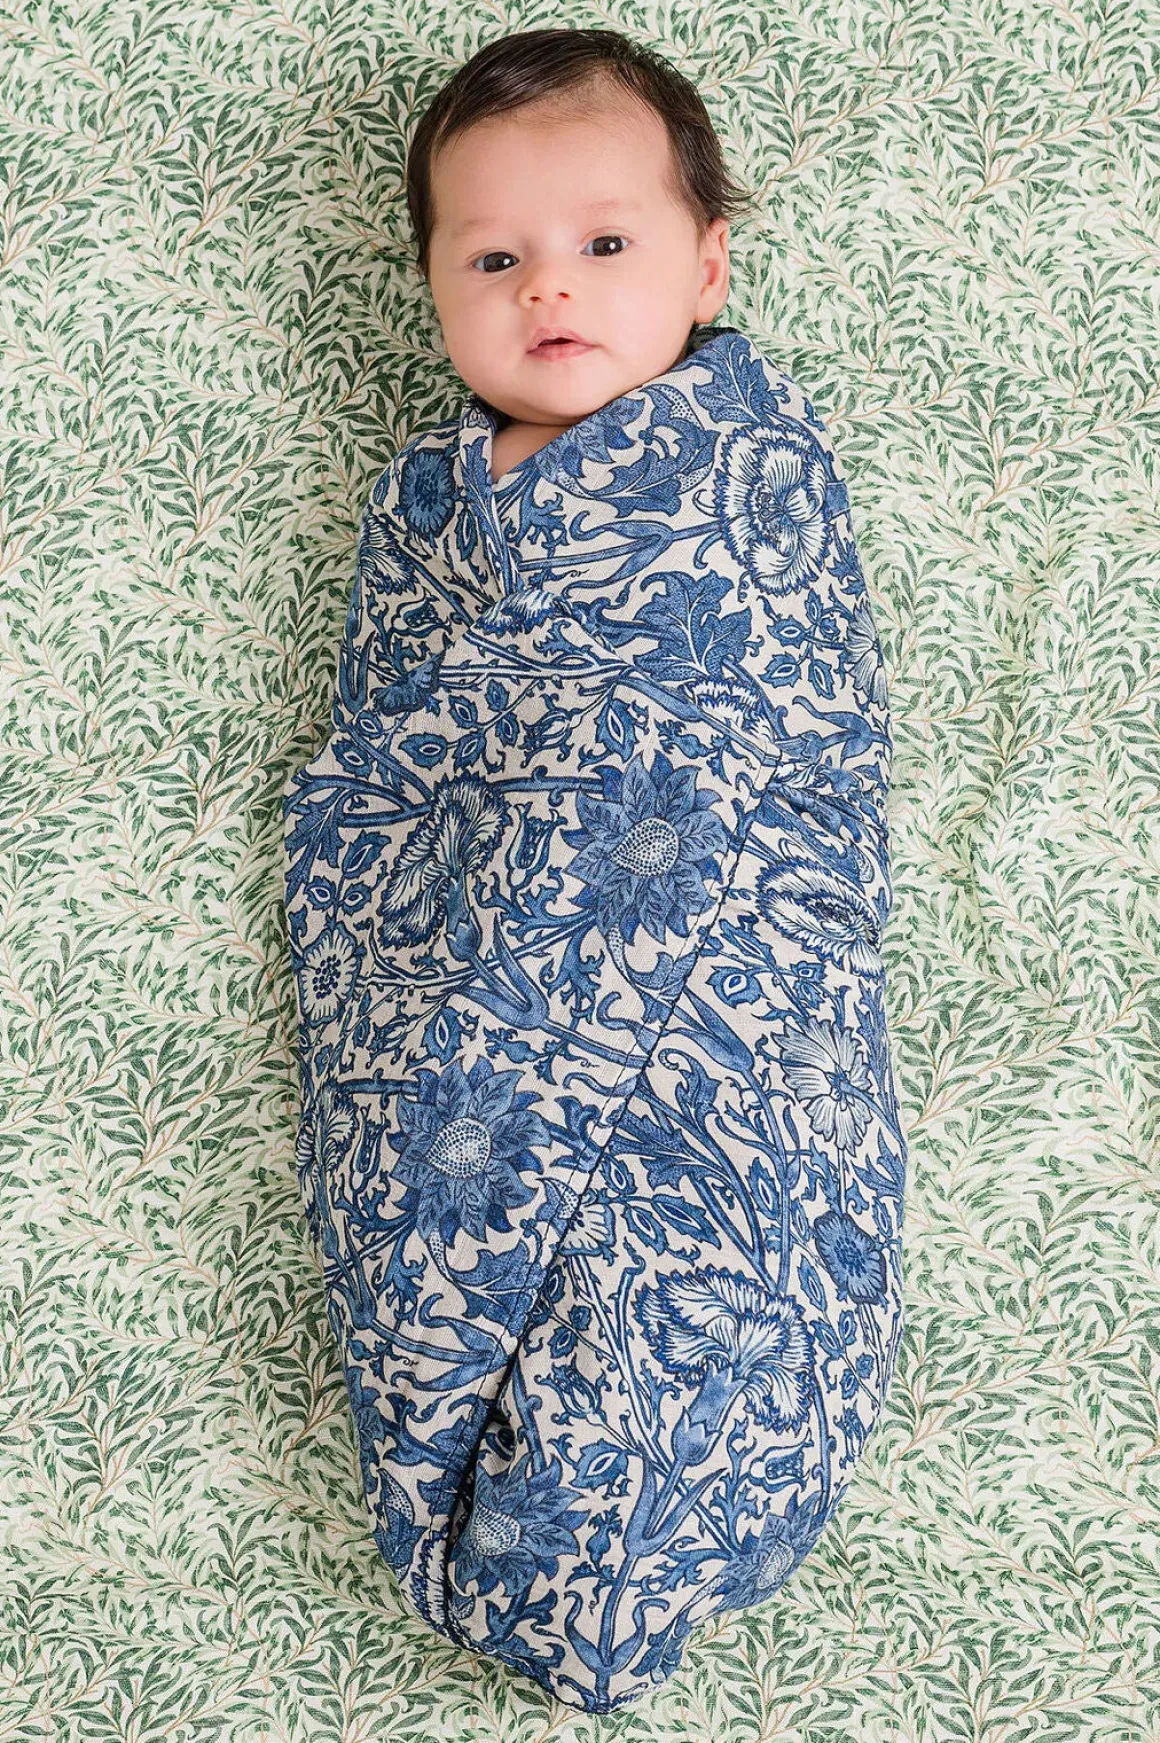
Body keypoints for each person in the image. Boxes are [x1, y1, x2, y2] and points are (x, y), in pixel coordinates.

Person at [281, 25, 908, 1715]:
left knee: (706, 1234)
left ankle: (626, 1515)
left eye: (605, 242)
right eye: (492, 258)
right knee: (446, 1183)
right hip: (471, 948)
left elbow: (795, 720)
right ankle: (478, 1480)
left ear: (707, 267)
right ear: (431, 288)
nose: (548, 285)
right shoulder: (424, 509)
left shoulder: (742, 462)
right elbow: (391, 755)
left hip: (724, 949)